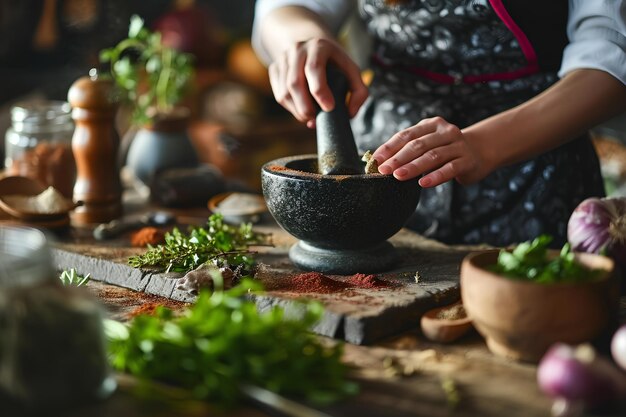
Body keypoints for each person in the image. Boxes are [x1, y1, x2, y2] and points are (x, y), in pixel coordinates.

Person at [251, 0, 626, 247]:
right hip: (383, 177)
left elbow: (610, 59)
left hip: (535, 171)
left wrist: (484, 145)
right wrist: (302, 41)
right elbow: (285, 8)